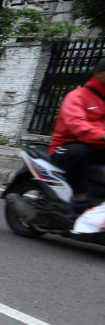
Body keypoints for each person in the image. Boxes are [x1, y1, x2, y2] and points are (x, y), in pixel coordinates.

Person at [49, 56, 105, 212]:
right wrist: (101, 135)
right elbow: (76, 123)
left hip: (99, 147)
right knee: (79, 153)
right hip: (68, 145)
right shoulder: (78, 96)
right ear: (99, 73)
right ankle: (79, 200)